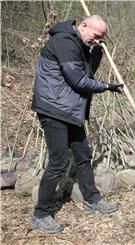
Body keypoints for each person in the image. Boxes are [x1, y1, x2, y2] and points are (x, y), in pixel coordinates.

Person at [30, 15, 122, 234]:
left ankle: (92, 199)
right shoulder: (64, 41)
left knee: (82, 154)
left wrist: (96, 54)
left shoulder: (80, 44)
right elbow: (78, 81)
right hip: (53, 109)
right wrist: (107, 86)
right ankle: (40, 214)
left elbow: (86, 73)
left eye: (101, 38)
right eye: (96, 36)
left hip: (69, 109)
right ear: (83, 25)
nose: (97, 40)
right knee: (59, 161)